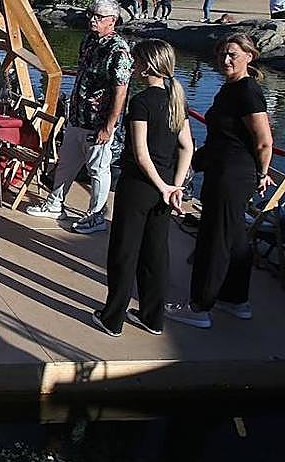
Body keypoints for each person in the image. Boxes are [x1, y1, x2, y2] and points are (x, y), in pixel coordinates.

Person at [165, 34, 273, 329]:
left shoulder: (248, 91)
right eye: (222, 54)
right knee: (235, 237)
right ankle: (235, 299)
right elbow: (223, 136)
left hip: (232, 175)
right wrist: (195, 163)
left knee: (214, 239)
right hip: (222, 168)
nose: (226, 60)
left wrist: (262, 174)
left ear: (249, 56)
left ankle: (199, 306)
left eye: (233, 54)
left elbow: (264, 140)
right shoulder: (231, 88)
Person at [93, 40, 193, 337]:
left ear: (147, 65)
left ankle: (112, 318)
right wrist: (175, 185)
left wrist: (162, 186)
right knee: (155, 252)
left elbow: (140, 153)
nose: (133, 67)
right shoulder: (176, 100)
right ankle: (152, 317)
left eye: (136, 61)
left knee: (125, 251)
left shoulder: (141, 102)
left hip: (140, 186)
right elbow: (187, 146)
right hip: (165, 186)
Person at [25, 0, 132, 234]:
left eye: (99, 16)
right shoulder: (89, 41)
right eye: (91, 14)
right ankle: (55, 204)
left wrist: (109, 126)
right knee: (66, 163)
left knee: (98, 169)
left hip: (98, 122)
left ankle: (96, 215)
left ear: (112, 20)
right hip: (77, 117)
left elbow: (121, 89)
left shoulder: (119, 50)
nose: (93, 19)